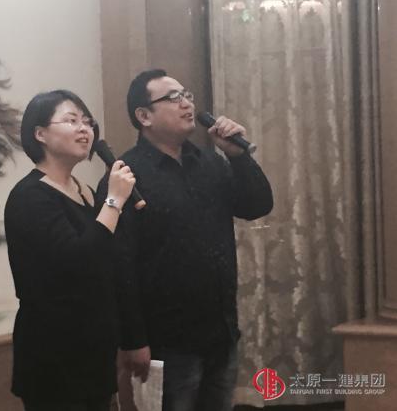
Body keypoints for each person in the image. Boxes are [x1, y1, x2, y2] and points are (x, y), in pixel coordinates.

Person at [97, 69, 273, 411]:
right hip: (166, 343)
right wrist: (133, 340)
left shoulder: (209, 162)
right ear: (144, 116)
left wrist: (238, 156)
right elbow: (118, 264)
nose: (186, 103)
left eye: (187, 95)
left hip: (220, 333)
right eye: (173, 97)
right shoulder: (126, 176)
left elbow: (257, 205)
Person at [4, 90, 136, 411]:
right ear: (40, 134)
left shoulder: (85, 192)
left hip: (94, 349)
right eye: (71, 120)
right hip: (54, 354)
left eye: (87, 122)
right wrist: (114, 201)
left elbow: (108, 264)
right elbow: (79, 262)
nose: (84, 129)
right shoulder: (29, 197)